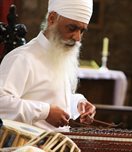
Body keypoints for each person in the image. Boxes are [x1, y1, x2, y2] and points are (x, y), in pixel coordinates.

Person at [0, 0, 96, 131]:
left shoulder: (58, 55)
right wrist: (45, 112)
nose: (77, 37)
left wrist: (78, 104)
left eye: (82, 30)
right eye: (72, 28)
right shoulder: (22, 58)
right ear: (52, 19)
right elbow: (2, 103)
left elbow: (51, 97)